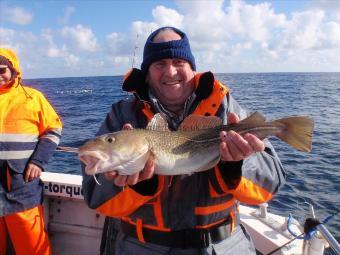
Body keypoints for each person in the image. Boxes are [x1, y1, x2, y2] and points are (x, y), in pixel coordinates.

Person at [82, 27, 286, 255]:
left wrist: (237, 165)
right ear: (147, 74)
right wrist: (138, 184)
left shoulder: (226, 108)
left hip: (223, 246)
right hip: (142, 247)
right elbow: (95, 198)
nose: (170, 72)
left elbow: (272, 183)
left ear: (192, 69)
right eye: (159, 64)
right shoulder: (122, 117)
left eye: (179, 62)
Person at [0, 48, 63, 255]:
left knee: (33, 247)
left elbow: (53, 129)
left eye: (2, 70)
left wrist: (38, 162)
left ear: (14, 70)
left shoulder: (33, 98)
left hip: (21, 188)